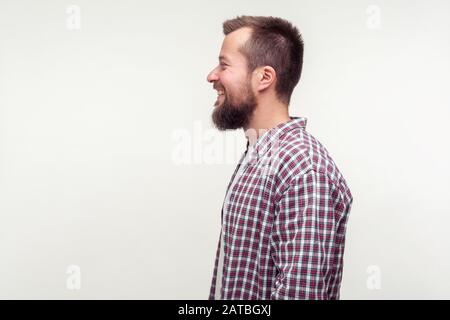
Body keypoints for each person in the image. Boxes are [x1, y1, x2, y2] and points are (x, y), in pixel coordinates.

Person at [206, 15, 353, 300]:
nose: (212, 75)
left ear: (264, 77)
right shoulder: (258, 156)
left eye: (224, 65)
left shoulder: (304, 170)